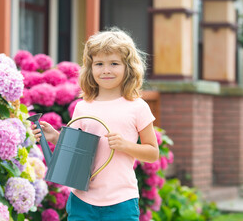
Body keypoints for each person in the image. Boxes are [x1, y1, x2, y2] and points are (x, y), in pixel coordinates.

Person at [31, 28, 159, 221]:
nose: (106, 70)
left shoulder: (137, 107)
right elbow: (74, 149)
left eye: (114, 63)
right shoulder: (83, 107)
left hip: (121, 200)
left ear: (128, 68)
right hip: (82, 199)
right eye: (99, 64)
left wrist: (126, 146)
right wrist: (56, 137)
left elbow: (152, 152)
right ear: (90, 68)